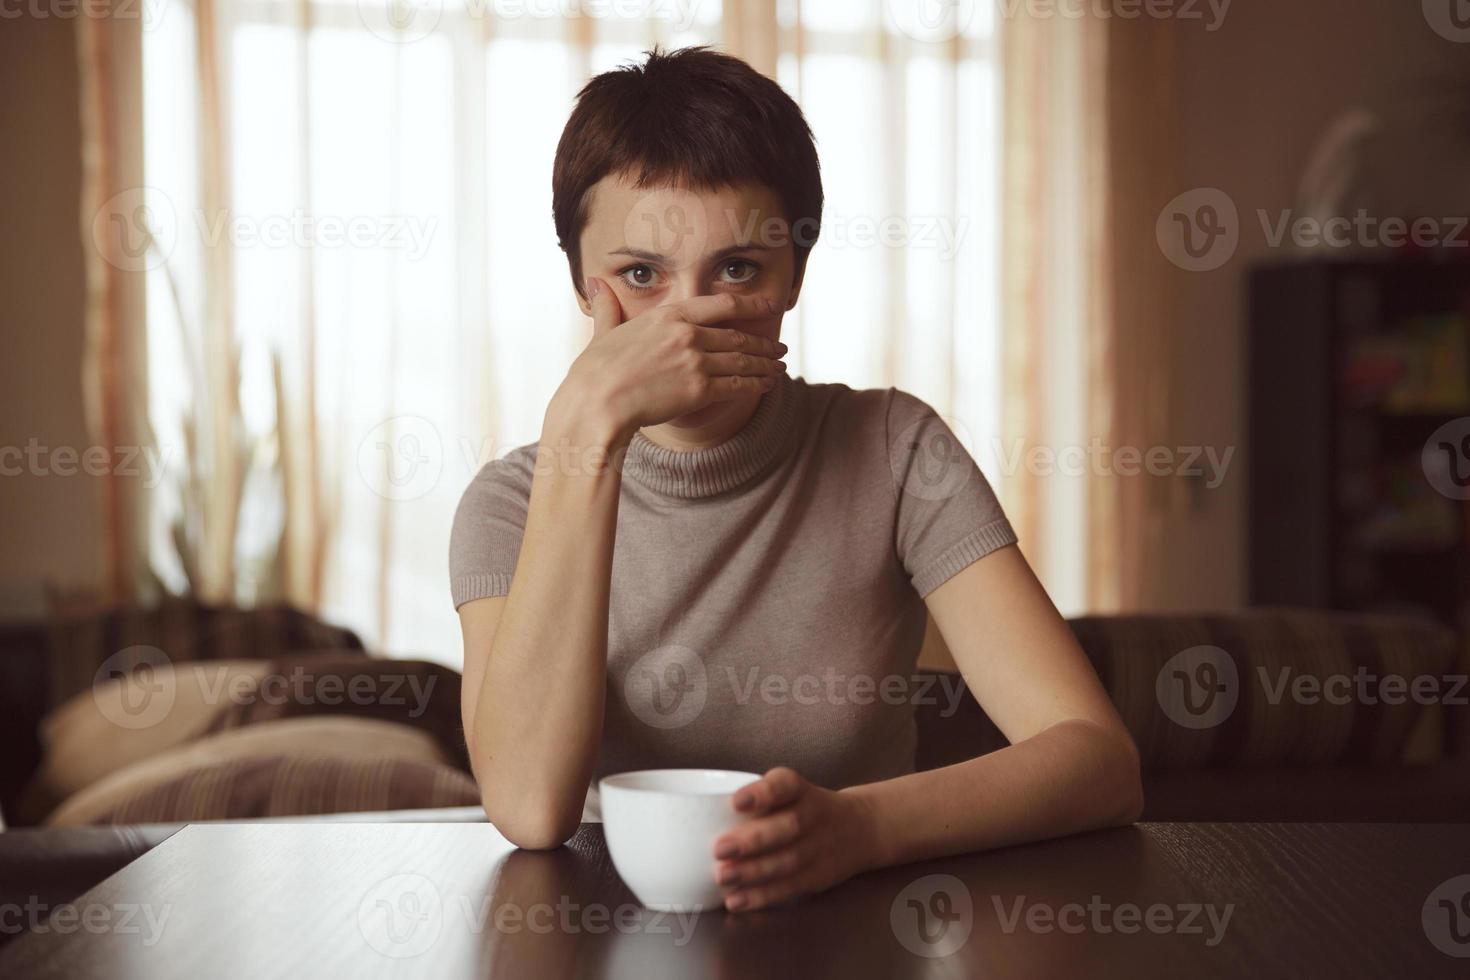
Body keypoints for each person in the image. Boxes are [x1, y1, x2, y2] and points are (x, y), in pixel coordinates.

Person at [450, 45, 1141, 914]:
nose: (688, 321)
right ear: (580, 285)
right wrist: (583, 433)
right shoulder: (510, 504)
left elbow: (1097, 759)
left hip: (860, 922)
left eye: (737, 269)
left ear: (794, 280)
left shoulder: (895, 449)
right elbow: (528, 810)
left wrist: (862, 828)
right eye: (640, 276)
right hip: (606, 925)